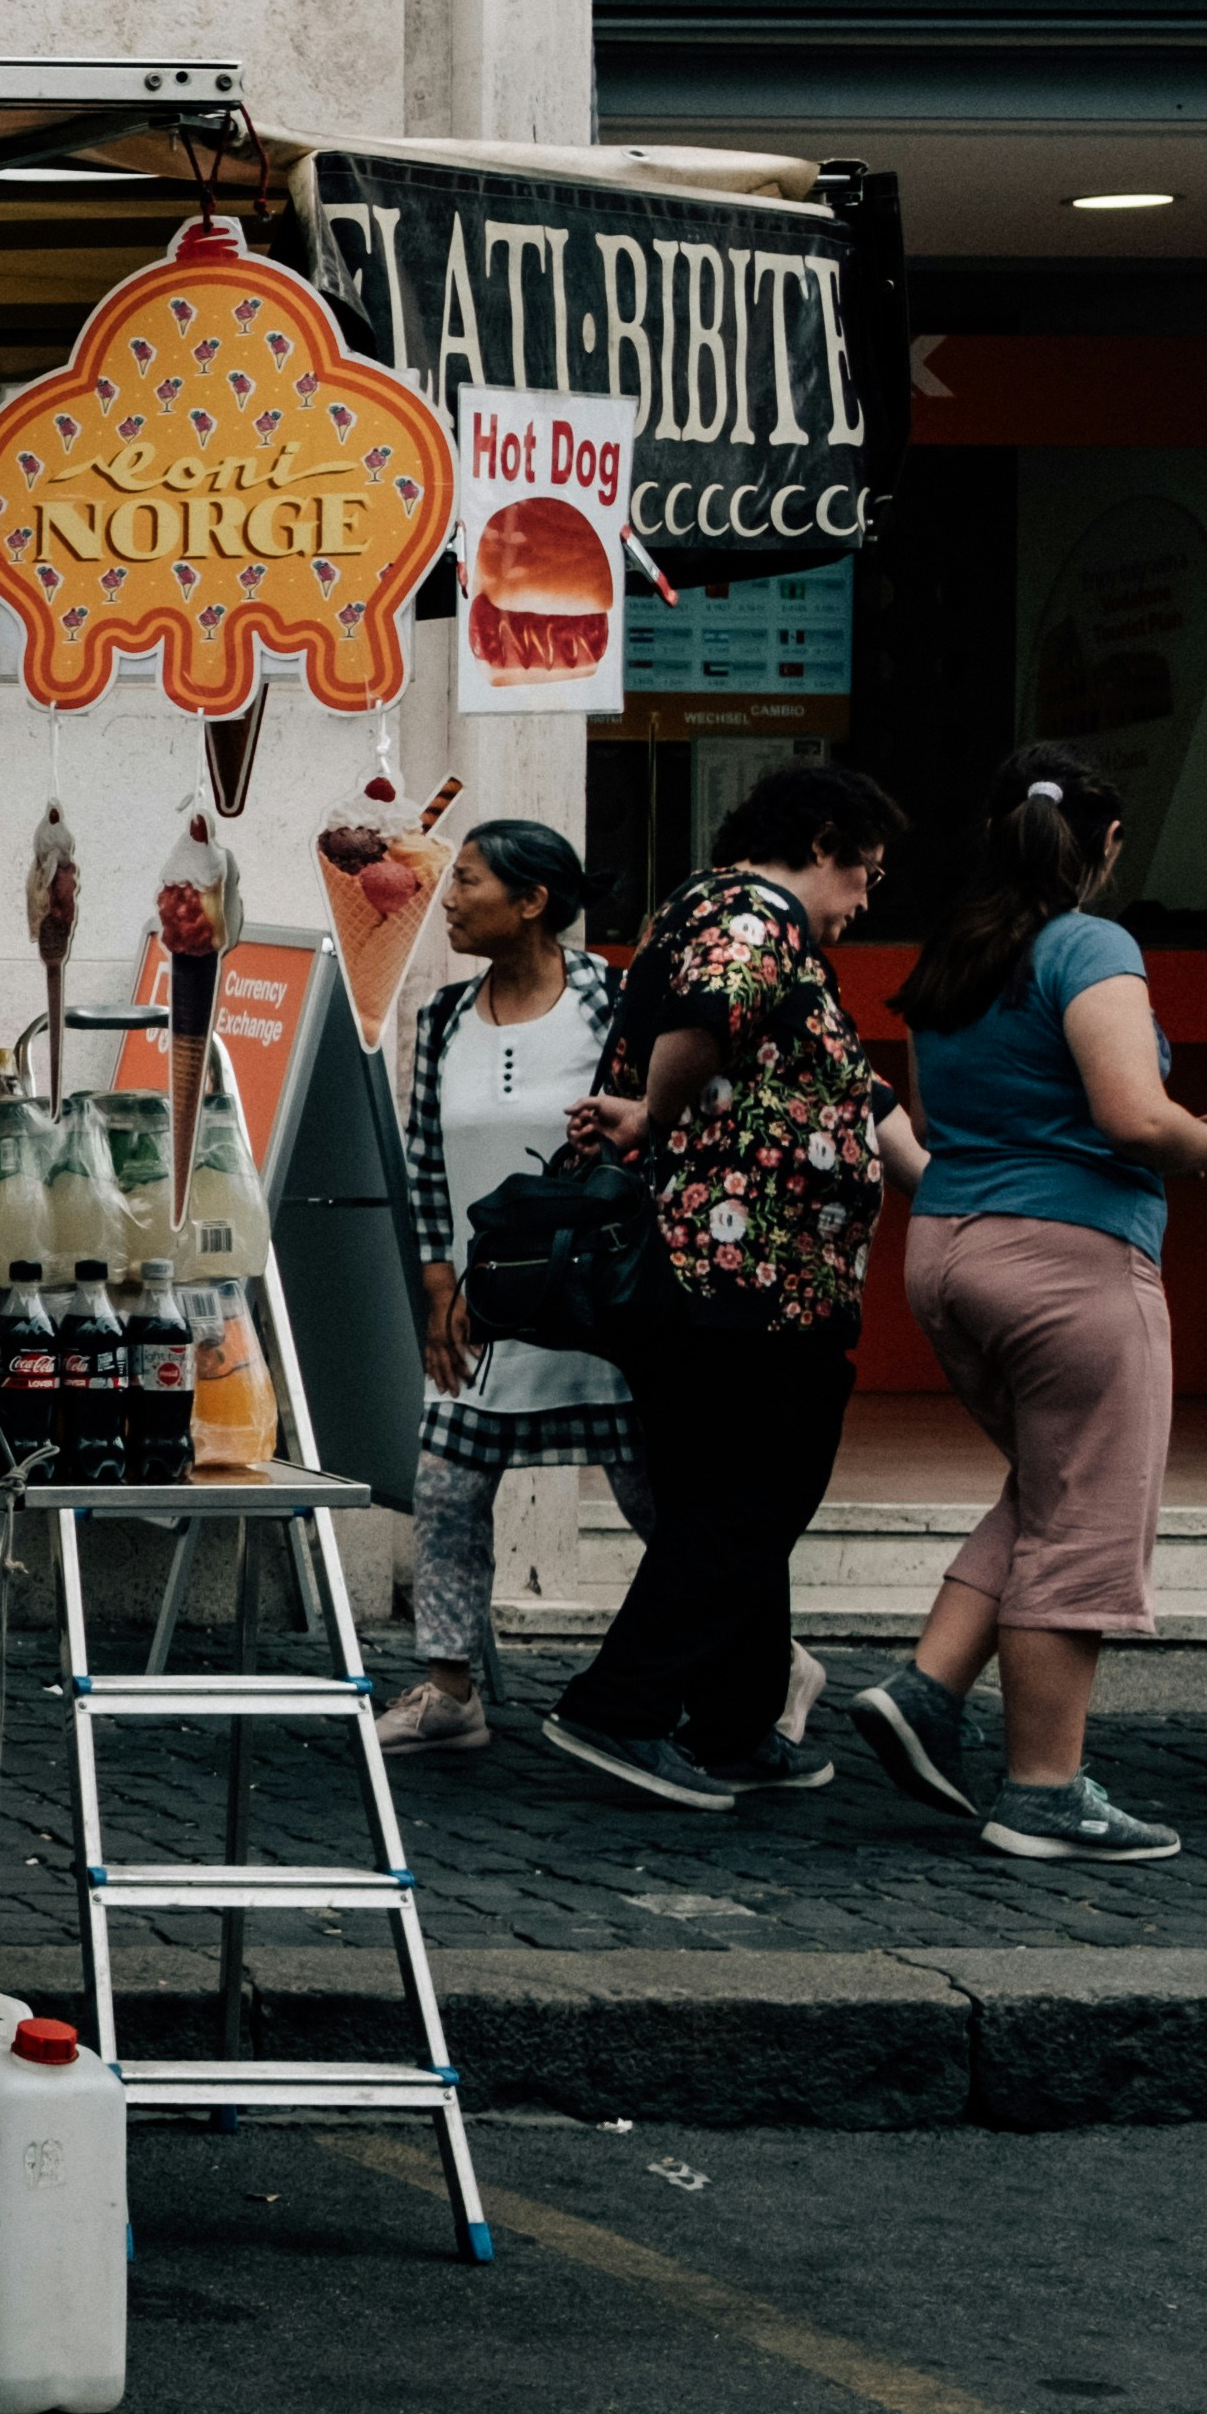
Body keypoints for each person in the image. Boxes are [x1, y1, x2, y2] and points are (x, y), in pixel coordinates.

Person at [837, 747, 1207, 1863]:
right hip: (1070, 1258)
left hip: (950, 1249)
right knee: (1088, 1517)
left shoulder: (956, 954)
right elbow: (1132, 1114)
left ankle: (928, 1689)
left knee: (1051, 1482)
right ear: (1107, 843)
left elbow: (932, 1119)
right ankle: (1044, 1790)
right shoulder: (1090, 944)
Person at [544, 761, 921, 1812]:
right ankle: (619, 1706)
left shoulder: (719, 918)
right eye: (865, 874)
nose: (862, 902)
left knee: (726, 1495)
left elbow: (845, 1084)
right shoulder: (755, 917)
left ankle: (738, 1721)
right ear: (826, 841)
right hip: (744, 1274)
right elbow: (702, 1025)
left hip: (736, 1274)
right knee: (758, 1493)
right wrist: (656, 1115)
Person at [378, 821, 654, 1753]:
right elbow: (425, 1166)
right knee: (448, 1486)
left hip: (596, 1307)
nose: (447, 898)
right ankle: (449, 1688)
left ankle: (761, 1658)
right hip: (480, 1312)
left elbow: (661, 1138)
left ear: (532, 902)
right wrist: (438, 1289)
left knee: (658, 1500)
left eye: (467, 881)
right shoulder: (445, 1018)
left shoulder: (613, 1003)